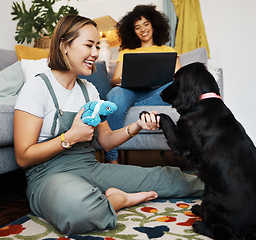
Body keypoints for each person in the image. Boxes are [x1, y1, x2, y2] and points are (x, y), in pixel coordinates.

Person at [13, 14, 204, 235]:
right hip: (47, 175)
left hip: (90, 168)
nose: (95, 53)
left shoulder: (88, 90)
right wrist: (70, 137)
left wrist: (137, 126)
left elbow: (106, 141)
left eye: (97, 46)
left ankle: (235, 185)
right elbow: (23, 157)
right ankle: (117, 199)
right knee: (80, 211)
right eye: (88, 45)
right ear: (65, 46)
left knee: (167, 179)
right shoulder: (37, 88)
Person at [105, 5, 181, 164]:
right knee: (114, 95)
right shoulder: (126, 52)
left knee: (177, 87)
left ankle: (132, 105)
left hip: (157, 93)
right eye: (137, 27)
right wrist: (129, 79)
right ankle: (112, 160)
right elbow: (114, 80)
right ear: (132, 31)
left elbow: (179, 78)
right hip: (129, 91)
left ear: (154, 24)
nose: (143, 29)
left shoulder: (168, 50)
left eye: (146, 24)